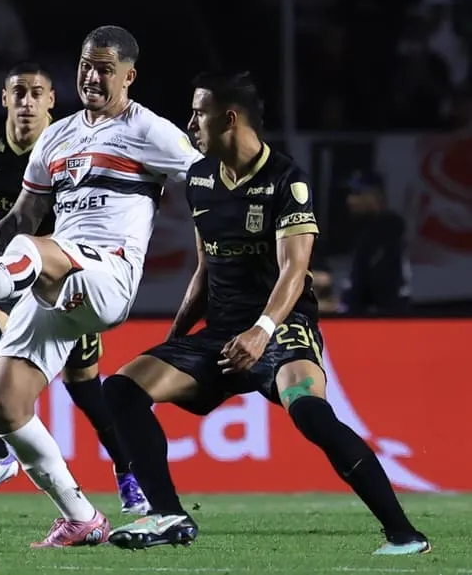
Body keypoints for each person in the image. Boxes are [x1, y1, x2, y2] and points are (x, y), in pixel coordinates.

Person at [102, 71, 430, 556]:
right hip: (220, 336)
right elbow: (205, 270)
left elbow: (294, 271)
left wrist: (262, 331)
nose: (191, 122)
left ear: (228, 117)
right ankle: (168, 513)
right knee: (123, 390)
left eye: (199, 112)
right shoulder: (199, 180)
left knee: (311, 414)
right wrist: (175, 341)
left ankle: (404, 534)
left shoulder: (286, 180)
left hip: (283, 331)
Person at [0, 26, 201, 547]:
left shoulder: (151, 131)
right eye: (86, 65)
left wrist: (226, 259)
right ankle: (81, 517)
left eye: (105, 68)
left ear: (129, 76)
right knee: (3, 407)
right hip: (54, 275)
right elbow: (22, 217)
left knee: (36, 250)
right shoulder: (58, 135)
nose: (92, 76)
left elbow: (206, 182)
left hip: (108, 274)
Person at [0, 61, 149, 513]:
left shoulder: (73, 142)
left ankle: (128, 471)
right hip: (6, 271)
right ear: (4, 98)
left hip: (66, 275)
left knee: (84, 387)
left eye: (37, 93)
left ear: (52, 100)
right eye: (19, 92)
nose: (27, 102)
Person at [341, 170, 411, 314]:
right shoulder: (365, 230)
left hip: (386, 318)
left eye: (357, 193)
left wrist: (352, 303)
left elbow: (379, 284)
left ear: (374, 196)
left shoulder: (388, 229)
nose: (350, 200)